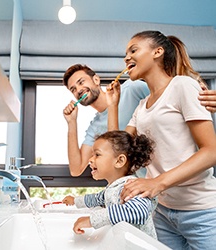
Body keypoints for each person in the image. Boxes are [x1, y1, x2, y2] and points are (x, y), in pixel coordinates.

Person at [107, 30, 216, 249]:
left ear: (158, 52)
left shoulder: (182, 86)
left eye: (133, 50)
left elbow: (211, 152)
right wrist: (112, 105)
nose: (126, 57)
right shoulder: (142, 106)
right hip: (162, 212)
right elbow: (118, 153)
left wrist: (157, 182)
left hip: (201, 211)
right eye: (125, 54)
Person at [62, 130, 157, 238]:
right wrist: (75, 201)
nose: (90, 159)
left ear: (119, 161)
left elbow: (137, 211)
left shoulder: (131, 187)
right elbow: (97, 198)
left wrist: (91, 220)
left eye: (97, 155)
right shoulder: (113, 188)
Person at [63, 64, 149, 177]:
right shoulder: (95, 127)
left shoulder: (132, 88)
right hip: (145, 186)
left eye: (81, 82)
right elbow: (76, 169)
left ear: (96, 79)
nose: (78, 90)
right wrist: (71, 122)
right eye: (73, 89)